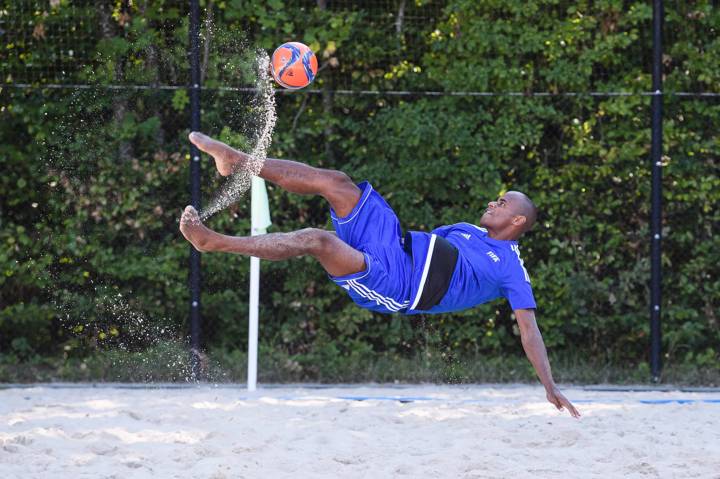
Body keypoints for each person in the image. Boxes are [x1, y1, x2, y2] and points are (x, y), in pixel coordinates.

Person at [180, 132, 581, 418]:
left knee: (317, 240)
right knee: (336, 182)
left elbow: (529, 330)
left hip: (398, 284)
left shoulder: (513, 267)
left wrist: (548, 385)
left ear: (517, 219)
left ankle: (213, 242)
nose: (493, 202)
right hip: (394, 242)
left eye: (503, 202)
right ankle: (238, 161)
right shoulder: (470, 229)